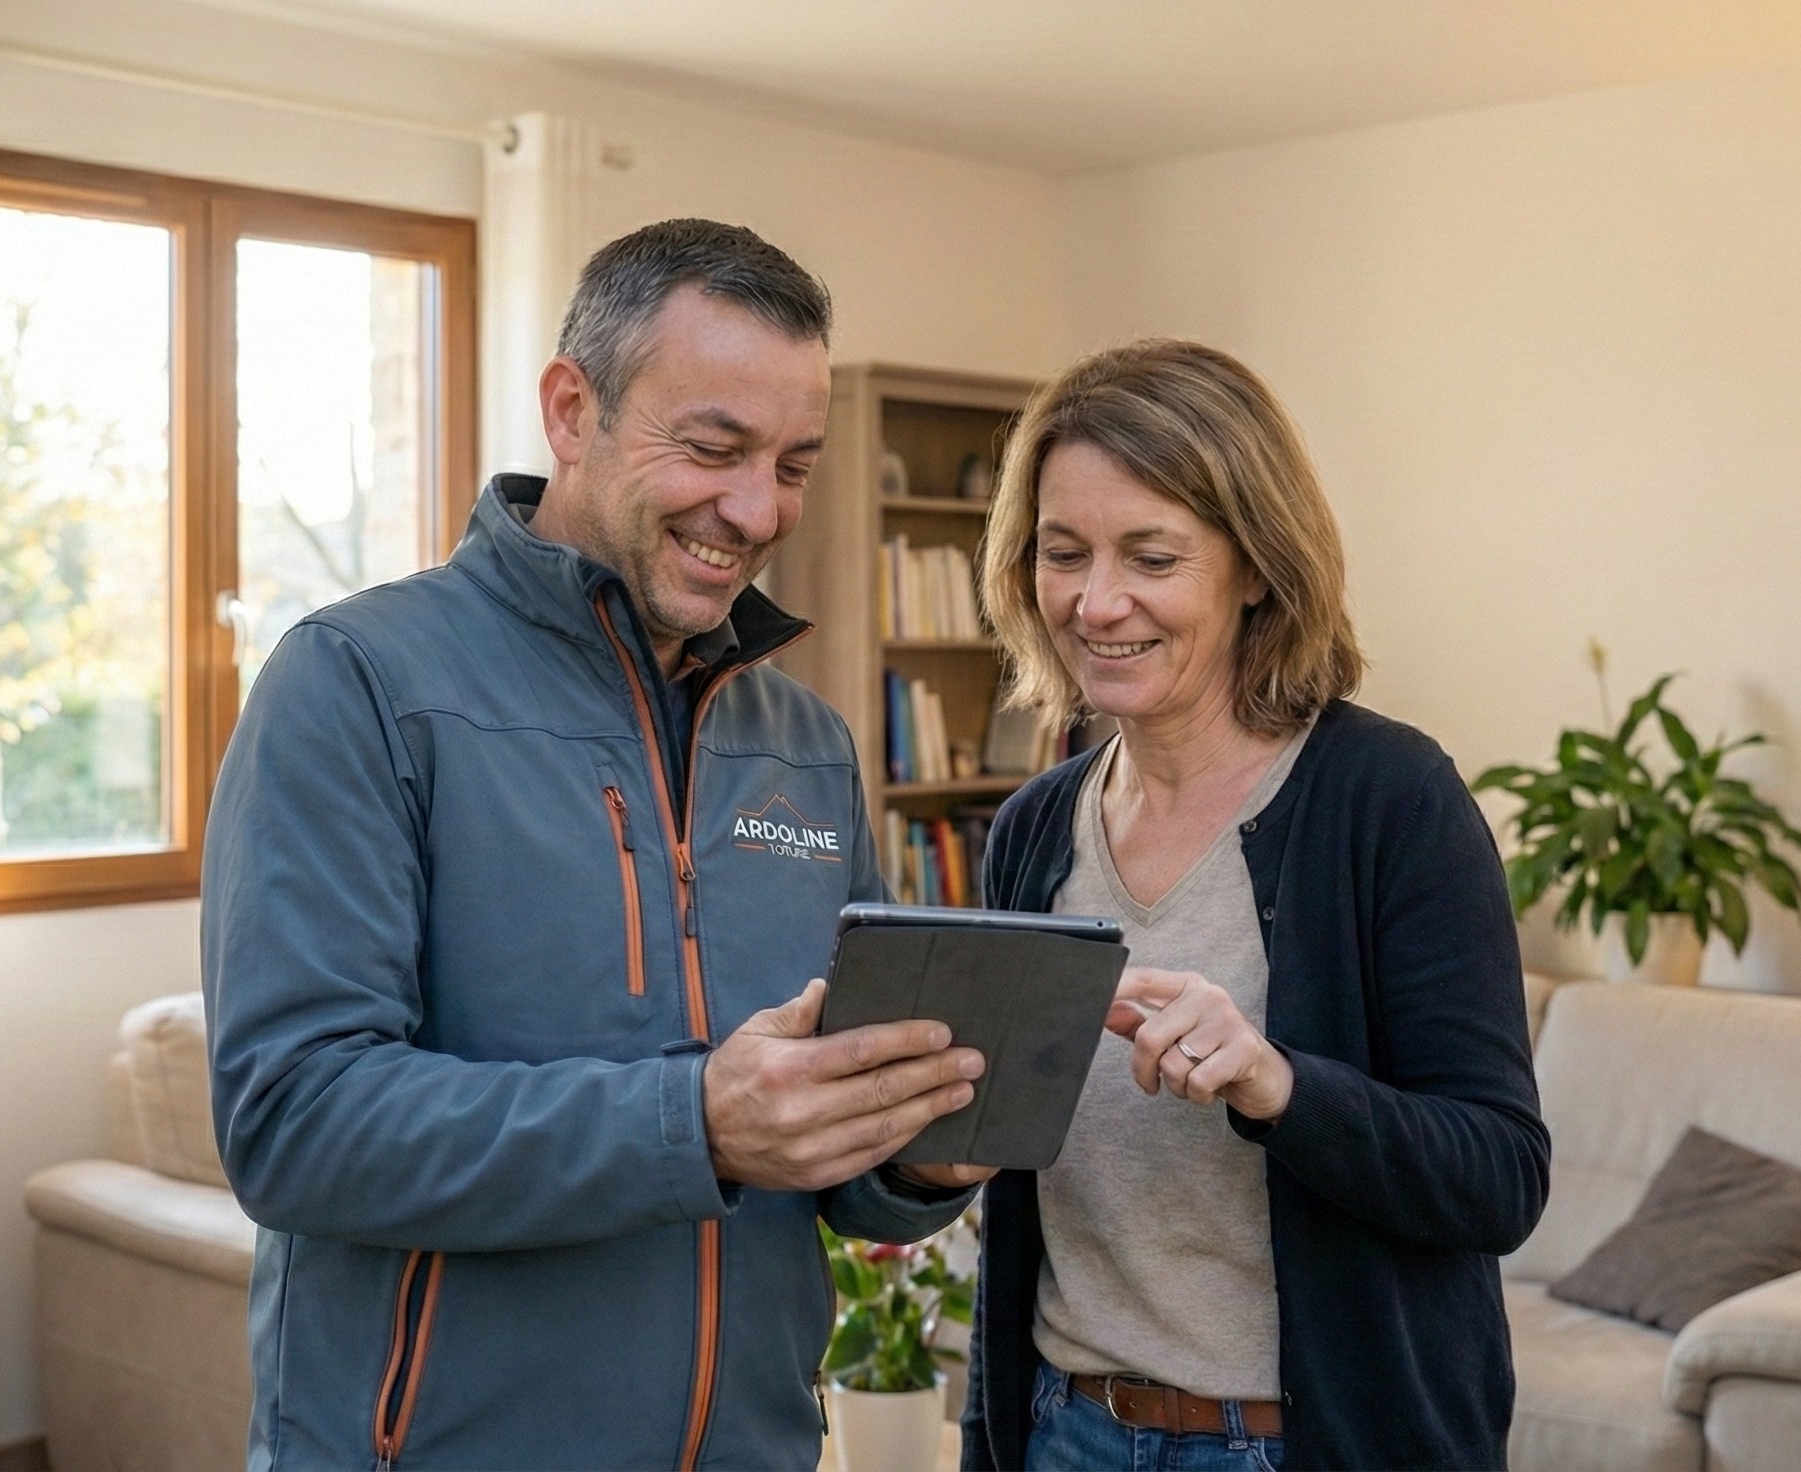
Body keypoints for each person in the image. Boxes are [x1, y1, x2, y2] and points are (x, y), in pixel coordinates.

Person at [202, 219, 991, 1472]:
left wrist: (923, 1149)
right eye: (714, 448)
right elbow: (294, 1121)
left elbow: (826, 1161)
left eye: (792, 463)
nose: (754, 508)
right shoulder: (356, 683)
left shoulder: (806, 745)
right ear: (572, 410)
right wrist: (697, 1124)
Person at [961, 339, 1550, 1472]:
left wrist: (1274, 1081)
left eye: (1151, 555)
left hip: (1295, 1447)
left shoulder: (1386, 799)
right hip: (1060, 1431)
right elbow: (1015, 1179)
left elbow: (1497, 1175)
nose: (1097, 601)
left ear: (1253, 567)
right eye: (1063, 552)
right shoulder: (1035, 829)